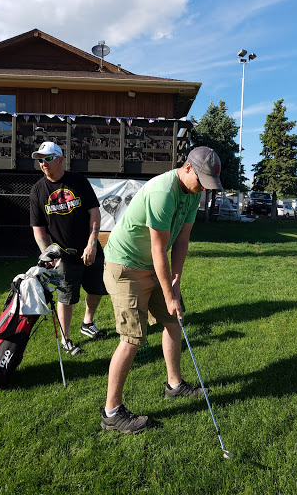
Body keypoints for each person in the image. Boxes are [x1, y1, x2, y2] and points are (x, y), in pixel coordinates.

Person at [101, 146, 222, 434]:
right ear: (188, 168)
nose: (202, 189)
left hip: (151, 265)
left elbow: (181, 242)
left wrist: (176, 283)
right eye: (201, 182)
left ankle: (175, 385)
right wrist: (168, 295)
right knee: (132, 338)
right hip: (126, 266)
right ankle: (111, 413)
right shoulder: (162, 192)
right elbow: (159, 248)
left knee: (172, 322)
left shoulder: (193, 193)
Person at [29, 141, 107, 355]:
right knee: (66, 297)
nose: (43, 163)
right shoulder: (38, 190)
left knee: (97, 288)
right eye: (40, 159)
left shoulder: (78, 181)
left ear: (60, 158)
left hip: (89, 248)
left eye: (47, 158)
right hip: (63, 255)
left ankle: (88, 323)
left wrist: (92, 242)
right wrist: (49, 254)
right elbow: (39, 229)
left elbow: (94, 212)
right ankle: (66, 339)